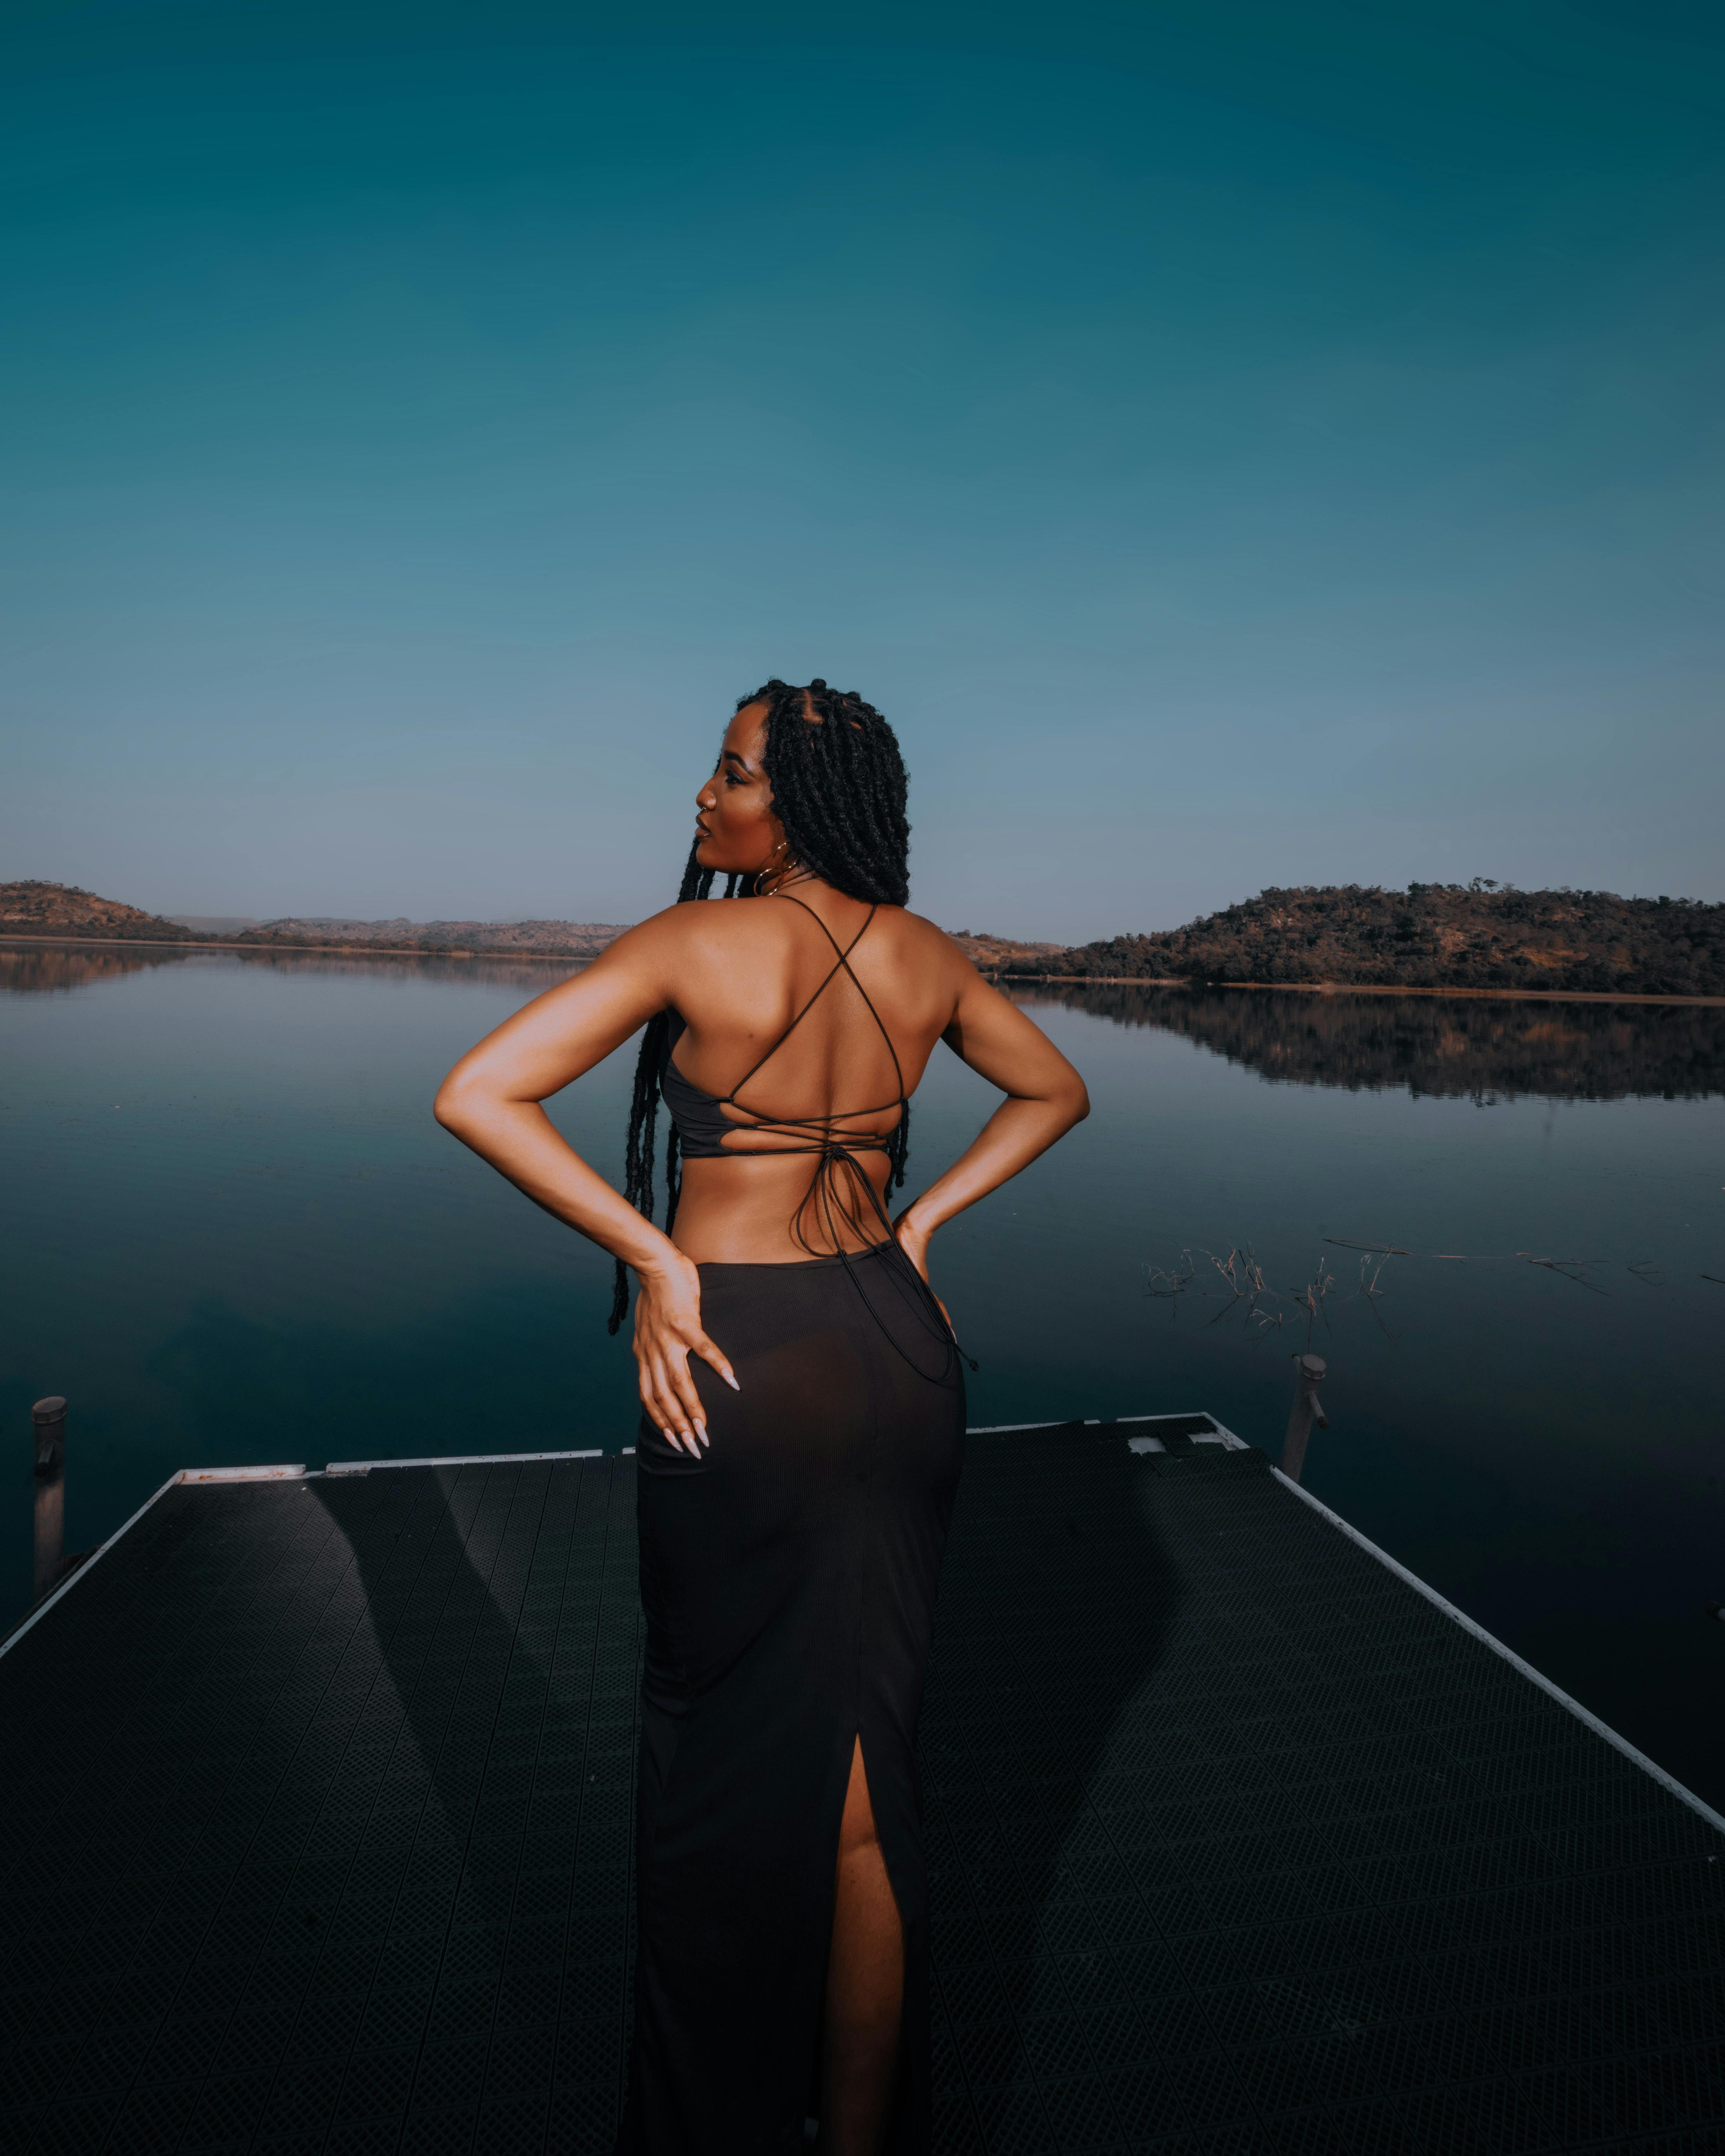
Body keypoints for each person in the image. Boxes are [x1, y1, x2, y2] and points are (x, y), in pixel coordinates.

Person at [434, 678, 1089, 2153]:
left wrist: (656, 1253)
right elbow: (1054, 1091)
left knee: (711, 1772)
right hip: (898, 1354)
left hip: (747, 1362)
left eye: (729, 772)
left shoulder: (692, 940)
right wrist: (919, 1233)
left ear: (794, 800)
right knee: (870, 1788)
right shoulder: (926, 957)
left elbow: (479, 1092)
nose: (702, 797)